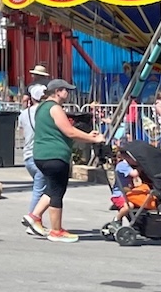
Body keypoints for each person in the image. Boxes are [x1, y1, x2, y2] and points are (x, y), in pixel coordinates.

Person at [25, 79, 106, 243]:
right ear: (57, 92)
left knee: (52, 187)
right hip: (55, 154)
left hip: (41, 154)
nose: (68, 93)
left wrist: (87, 136)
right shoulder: (55, 108)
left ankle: (34, 216)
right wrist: (94, 139)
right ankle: (56, 231)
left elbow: (63, 130)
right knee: (57, 192)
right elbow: (69, 132)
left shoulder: (41, 107)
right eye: (65, 90)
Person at [15, 82, 46, 235]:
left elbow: (21, 130)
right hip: (40, 154)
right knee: (40, 191)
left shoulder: (24, 114)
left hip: (28, 156)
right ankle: (33, 220)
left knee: (40, 189)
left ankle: (37, 221)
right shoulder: (46, 112)